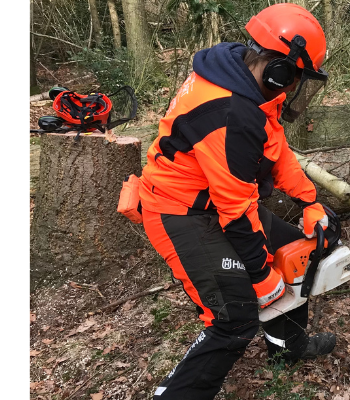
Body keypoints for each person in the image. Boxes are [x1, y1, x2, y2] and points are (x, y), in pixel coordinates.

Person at [137, 4, 338, 399]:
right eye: (296, 78)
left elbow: (275, 147)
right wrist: (262, 276)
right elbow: (235, 210)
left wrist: (309, 200)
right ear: (279, 68)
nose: (296, 88)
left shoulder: (245, 75)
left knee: (295, 253)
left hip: (216, 200)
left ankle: (288, 349)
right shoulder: (230, 112)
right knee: (234, 318)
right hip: (180, 212)